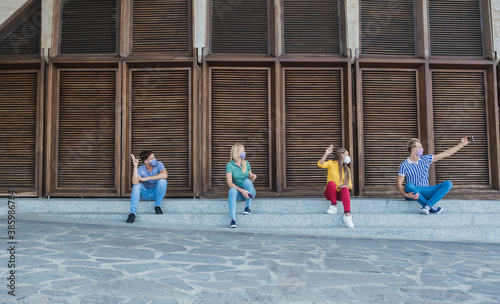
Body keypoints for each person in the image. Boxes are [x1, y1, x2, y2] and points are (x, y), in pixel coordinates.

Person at [397, 137, 470, 215]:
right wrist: (406, 194)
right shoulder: (404, 165)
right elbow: (399, 184)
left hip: (426, 191)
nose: (422, 149)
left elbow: (446, 153)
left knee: (448, 184)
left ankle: (427, 206)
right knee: (409, 185)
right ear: (414, 149)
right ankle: (431, 207)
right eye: (420, 147)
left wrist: (462, 144)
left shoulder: (425, 159)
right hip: (413, 193)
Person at [318, 144, 354, 228]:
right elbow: (320, 164)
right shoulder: (331, 163)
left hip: (340, 194)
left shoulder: (346, 169)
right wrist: (326, 154)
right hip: (330, 193)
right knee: (331, 183)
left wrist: (344, 186)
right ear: (342, 155)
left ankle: (347, 216)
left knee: (345, 189)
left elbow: (350, 185)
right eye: (347, 155)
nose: (348, 157)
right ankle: (333, 206)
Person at [126, 151, 168, 223]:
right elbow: (135, 182)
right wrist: (135, 167)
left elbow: (165, 175)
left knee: (163, 181)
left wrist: (148, 178)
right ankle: (132, 213)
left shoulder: (159, 164)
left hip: (156, 193)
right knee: (136, 186)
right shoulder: (141, 169)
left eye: (154, 157)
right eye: (152, 158)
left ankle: (157, 206)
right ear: (146, 162)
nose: (155, 159)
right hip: (146, 194)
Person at [226, 143, 257, 228]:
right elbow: (229, 183)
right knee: (232, 190)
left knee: (247, 181)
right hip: (239, 194)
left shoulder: (246, 163)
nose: (244, 152)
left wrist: (253, 177)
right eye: (242, 151)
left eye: (244, 150)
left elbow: (250, 180)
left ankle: (248, 207)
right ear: (236, 153)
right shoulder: (229, 165)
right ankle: (233, 220)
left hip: (249, 193)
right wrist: (242, 191)